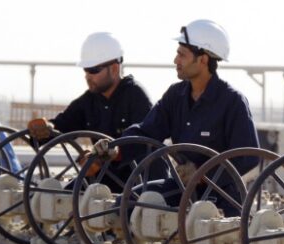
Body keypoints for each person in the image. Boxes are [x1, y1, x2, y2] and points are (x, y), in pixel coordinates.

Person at [94, 19, 259, 212]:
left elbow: (248, 156)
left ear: (203, 60)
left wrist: (202, 173)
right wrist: (117, 149)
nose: (175, 60)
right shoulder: (175, 96)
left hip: (221, 197)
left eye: (182, 55)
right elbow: (147, 132)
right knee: (127, 202)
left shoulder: (232, 101)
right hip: (183, 188)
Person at [26, 32, 152, 142]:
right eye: (85, 69)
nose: (87, 76)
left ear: (114, 68)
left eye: (93, 70)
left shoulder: (136, 98)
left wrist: (107, 157)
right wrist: (47, 128)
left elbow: (144, 146)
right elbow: (64, 125)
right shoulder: (89, 101)